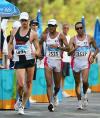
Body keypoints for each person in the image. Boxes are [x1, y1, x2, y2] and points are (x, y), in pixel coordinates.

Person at [8, 12, 40, 115]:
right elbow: (10, 43)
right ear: (20, 21)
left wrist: (36, 52)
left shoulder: (33, 33)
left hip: (30, 60)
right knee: (21, 84)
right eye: (22, 20)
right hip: (19, 60)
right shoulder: (14, 31)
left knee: (29, 83)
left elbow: (38, 48)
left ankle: (22, 106)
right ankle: (20, 99)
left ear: (28, 21)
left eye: (25, 20)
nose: (24, 22)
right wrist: (9, 52)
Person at [40, 19, 70, 112]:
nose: (51, 27)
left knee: (57, 86)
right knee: (49, 84)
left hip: (58, 62)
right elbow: (39, 43)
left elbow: (68, 48)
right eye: (49, 25)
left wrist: (58, 47)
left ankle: (55, 94)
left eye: (53, 26)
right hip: (48, 61)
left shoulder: (60, 36)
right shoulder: (45, 36)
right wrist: (40, 53)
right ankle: (50, 103)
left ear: (56, 26)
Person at [68, 21, 99, 109]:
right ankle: (79, 101)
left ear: (83, 28)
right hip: (76, 63)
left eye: (81, 28)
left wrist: (93, 56)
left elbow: (97, 49)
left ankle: (85, 95)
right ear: (75, 30)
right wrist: (75, 49)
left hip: (85, 62)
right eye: (77, 28)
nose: (79, 30)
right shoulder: (73, 39)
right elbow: (69, 53)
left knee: (85, 81)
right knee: (77, 83)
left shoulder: (89, 38)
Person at [61, 24, 71, 97]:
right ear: (62, 28)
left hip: (68, 59)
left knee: (64, 76)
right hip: (62, 59)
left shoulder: (69, 37)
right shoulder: (60, 36)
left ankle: (62, 90)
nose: (66, 29)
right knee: (61, 76)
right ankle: (61, 91)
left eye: (67, 28)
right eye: (64, 28)